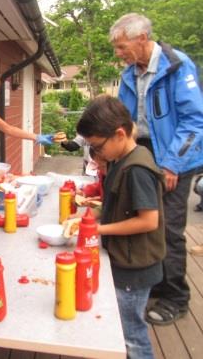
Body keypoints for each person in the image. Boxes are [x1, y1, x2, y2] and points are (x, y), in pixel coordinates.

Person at [110, 13, 203, 325]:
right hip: (144, 152)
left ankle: (176, 297)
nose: (118, 53)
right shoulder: (128, 74)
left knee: (169, 228)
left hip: (174, 155)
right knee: (142, 218)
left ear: (142, 38)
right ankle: (155, 284)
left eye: (122, 46)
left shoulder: (177, 65)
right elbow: (123, 121)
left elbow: (194, 122)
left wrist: (171, 164)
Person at [77, 95, 166, 359]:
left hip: (136, 268)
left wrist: (98, 230)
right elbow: (118, 206)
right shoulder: (121, 160)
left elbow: (149, 220)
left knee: (131, 334)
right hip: (126, 260)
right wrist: (91, 215)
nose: (97, 153)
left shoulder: (136, 169)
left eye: (98, 146)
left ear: (119, 134)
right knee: (124, 328)